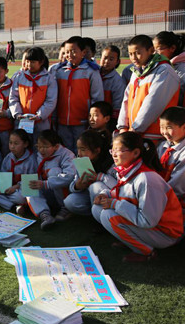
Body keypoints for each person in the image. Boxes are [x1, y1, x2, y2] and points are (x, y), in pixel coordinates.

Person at [93, 132, 183, 262]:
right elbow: (120, 193)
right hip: (152, 227)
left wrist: (114, 204)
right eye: (112, 150)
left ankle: (147, 251)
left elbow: (147, 221)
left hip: (165, 234)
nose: (114, 154)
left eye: (119, 150)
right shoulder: (127, 170)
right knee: (98, 209)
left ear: (135, 153)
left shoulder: (146, 179)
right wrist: (105, 195)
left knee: (108, 216)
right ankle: (132, 240)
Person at [117, 35, 180, 144]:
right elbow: (126, 100)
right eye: (130, 54)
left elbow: (153, 103)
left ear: (151, 50)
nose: (133, 58)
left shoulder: (164, 71)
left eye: (138, 53)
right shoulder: (136, 73)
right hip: (134, 134)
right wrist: (123, 126)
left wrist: (135, 129)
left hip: (154, 135)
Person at [18, 130, 77, 230]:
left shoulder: (67, 154)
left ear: (56, 146)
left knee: (53, 172)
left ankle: (65, 209)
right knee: (29, 184)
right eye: (39, 146)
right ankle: (45, 215)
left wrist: (46, 184)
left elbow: (69, 176)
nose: (41, 150)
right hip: (47, 192)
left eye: (45, 147)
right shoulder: (38, 156)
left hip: (63, 195)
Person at [56, 36, 104, 154]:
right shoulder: (60, 71)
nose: (70, 54)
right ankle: (68, 172)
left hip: (82, 121)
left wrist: (92, 119)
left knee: (82, 151)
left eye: (73, 51)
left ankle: (82, 173)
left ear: (83, 52)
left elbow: (97, 97)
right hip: (62, 122)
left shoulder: (91, 71)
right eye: (67, 52)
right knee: (65, 151)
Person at [9, 47, 57, 143]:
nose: (29, 65)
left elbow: (51, 100)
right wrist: (17, 113)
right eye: (27, 61)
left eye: (33, 62)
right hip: (22, 120)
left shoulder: (49, 79)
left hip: (41, 122)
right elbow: (13, 97)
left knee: (40, 146)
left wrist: (39, 115)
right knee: (22, 146)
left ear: (41, 62)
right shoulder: (20, 77)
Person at [64, 130, 114, 217]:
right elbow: (73, 185)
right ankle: (94, 214)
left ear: (97, 150)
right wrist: (77, 186)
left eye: (83, 149)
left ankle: (101, 216)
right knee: (69, 202)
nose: (79, 153)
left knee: (95, 186)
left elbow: (116, 185)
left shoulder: (110, 162)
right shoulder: (82, 161)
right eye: (78, 149)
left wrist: (99, 177)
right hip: (89, 196)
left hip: (108, 196)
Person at [0, 129, 37, 211]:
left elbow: (30, 183)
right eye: (10, 142)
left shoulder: (31, 160)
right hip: (8, 188)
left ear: (25, 144)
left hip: (19, 190)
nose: (12, 146)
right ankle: (13, 206)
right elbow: (2, 174)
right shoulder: (8, 157)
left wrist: (16, 187)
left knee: (22, 198)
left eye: (16, 143)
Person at [158, 106, 185, 206]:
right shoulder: (162, 146)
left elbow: (176, 187)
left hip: (174, 203)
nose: (164, 132)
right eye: (161, 127)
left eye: (169, 128)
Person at [153, 31, 185, 106]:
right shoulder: (162, 65)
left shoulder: (181, 69)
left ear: (172, 48)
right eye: (153, 50)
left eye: (158, 49)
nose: (155, 53)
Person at [99, 45, 127, 129]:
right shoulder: (93, 74)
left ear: (117, 62)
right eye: (105, 58)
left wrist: (111, 123)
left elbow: (117, 105)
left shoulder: (118, 81)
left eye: (111, 59)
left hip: (107, 120)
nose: (107, 61)